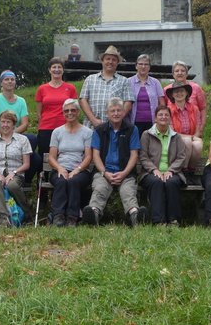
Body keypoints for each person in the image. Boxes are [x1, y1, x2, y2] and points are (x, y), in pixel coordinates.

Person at [82, 97, 145, 227]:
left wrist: (124, 173)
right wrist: (105, 173)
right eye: (112, 111)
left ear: (123, 112)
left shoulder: (132, 129)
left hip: (126, 173)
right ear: (107, 113)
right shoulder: (99, 130)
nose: (116, 113)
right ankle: (93, 214)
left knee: (128, 192)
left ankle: (135, 216)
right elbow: (96, 155)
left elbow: (134, 155)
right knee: (100, 189)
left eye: (118, 110)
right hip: (104, 172)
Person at [0, 69, 42, 180]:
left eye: (12, 79)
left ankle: (22, 181)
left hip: (15, 138)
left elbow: (24, 124)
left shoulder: (21, 101)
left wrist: (11, 134)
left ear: (15, 82)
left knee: (35, 154)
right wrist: (4, 132)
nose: (10, 81)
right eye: (6, 79)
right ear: (1, 83)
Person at [48, 98, 93, 227]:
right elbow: (51, 157)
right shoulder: (57, 132)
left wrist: (77, 170)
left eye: (73, 110)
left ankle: (72, 217)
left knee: (73, 181)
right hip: (59, 168)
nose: (70, 113)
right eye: (66, 111)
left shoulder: (87, 132)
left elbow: (88, 157)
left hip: (80, 170)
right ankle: (58, 216)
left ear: (78, 112)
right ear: (63, 113)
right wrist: (60, 169)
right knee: (61, 181)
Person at [138, 105, 186, 226]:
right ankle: (158, 220)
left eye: (166, 115)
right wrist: (154, 170)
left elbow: (181, 157)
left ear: (170, 118)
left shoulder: (176, 137)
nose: (163, 117)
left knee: (171, 182)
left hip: (173, 172)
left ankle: (174, 220)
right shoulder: (146, 135)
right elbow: (143, 156)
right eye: (160, 115)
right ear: (155, 118)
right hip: (150, 173)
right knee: (156, 182)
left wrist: (171, 170)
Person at [0, 111, 34, 227]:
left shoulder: (23, 140)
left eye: (8, 122)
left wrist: (14, 173)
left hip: (16, 174)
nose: (5, 125)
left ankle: (27, 213)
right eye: (3, 122)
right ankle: (2, 218)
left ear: (13, 124)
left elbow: (26, 164)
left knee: (12, 185)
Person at [79, 45, 134, 129]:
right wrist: (93, 120)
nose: (110, 62)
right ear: (102, 61)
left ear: (117, 63)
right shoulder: (90, 79)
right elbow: (83, 100)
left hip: (115, 127)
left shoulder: (124, 81)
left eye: (114, 60)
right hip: (92, 126)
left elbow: (128, 102)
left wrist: (116, 120)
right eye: (108, 59)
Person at [35, 57, 78, 158]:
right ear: (49, 70)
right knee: (45, 157)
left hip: (65, 127)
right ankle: (44, 174)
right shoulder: (42, 89)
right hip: (46, 127)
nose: (57, 70)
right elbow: (39, 113)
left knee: (64, 156)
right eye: (54, 67)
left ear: (63, 70)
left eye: (59, 67)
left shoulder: (70, 88)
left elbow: (75, 110)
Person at [165, 81, 203, 182]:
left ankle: (191, 171)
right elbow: (171, 131)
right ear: (172, 95)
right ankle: (183, 171)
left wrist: (195, 136)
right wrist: (191, 137)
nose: (179, 93)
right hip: (174, 140)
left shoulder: (194, 108)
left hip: (191, 138)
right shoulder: (169, 109)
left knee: (198, 144)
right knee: (187, 141)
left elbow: (198, 129)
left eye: (181, 91)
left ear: (186, 93)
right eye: (176, 92)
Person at [127, 54, 166, 136]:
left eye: (146, 64)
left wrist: (161, 119)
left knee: (151, 146)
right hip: (133, 122)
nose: (143, 66)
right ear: (136, 66)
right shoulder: (128, 82)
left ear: (149, 67)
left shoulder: (156, 83)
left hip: (152, 122)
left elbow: (162, 104)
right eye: (140, 64)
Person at [165, 60, 207, 133]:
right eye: (177, 71)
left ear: (187, 74)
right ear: (173, 74)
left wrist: (201, 127)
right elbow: (164, 108)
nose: (180, 73)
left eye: (183, 71)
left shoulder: (196, 88)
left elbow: (203, 108)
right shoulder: (166, 90)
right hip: (173, 130)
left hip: (194, 129)